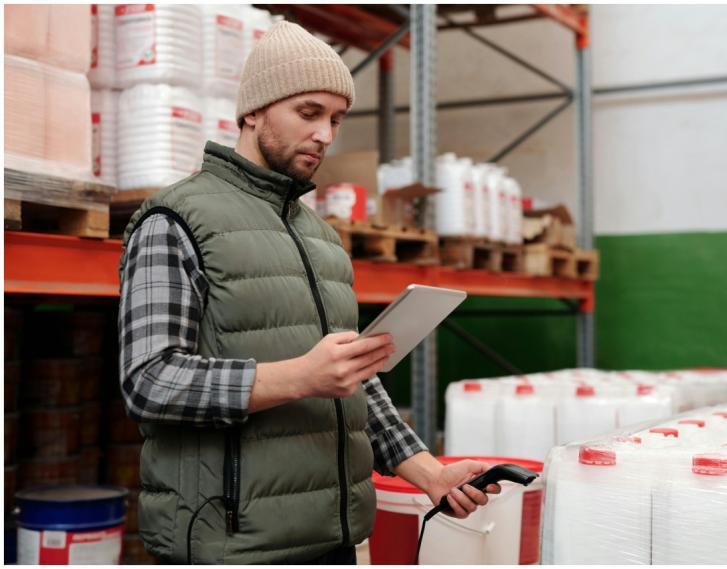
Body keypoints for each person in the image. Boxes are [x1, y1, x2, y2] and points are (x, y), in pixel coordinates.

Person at [118, 20, 501, 564]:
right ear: (254, 111)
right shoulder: (174, 220)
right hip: (229, 545)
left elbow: (349, 380)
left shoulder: (319, 236)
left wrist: (430, 473)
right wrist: (301, 375)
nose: (326, 133)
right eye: (308, 113)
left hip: (332, 539)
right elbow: (149, 381)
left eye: (337, 118)